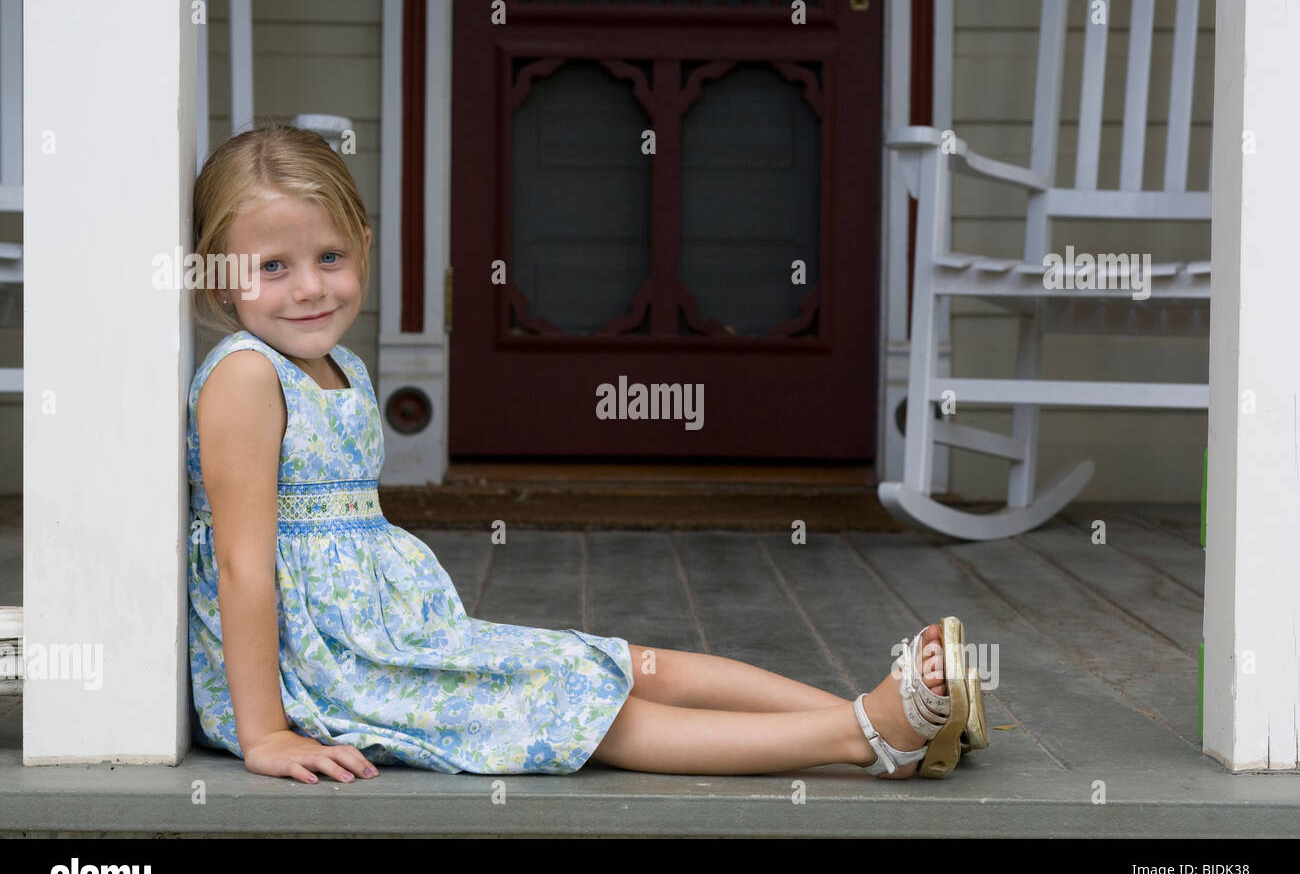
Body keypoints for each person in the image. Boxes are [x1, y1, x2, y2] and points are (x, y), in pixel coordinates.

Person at [186, 124, 988, 786]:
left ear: (362, 244)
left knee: (626, 665)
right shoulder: (248, 379)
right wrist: (264, 733)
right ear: (223, 279)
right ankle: (868, 736)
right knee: (592, 709)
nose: (309, 289)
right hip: (334, 668)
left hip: (392, 637)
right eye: (272, 268)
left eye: (329, 257)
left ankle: (886, 715)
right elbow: (243, 567)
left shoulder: (336, 366)